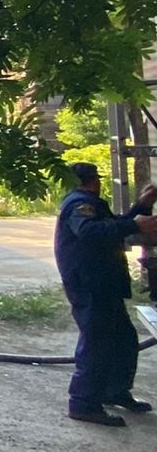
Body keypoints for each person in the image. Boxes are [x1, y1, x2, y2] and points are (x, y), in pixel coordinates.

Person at [53, 162, 157, 426]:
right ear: (92, 181)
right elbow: (90, 232)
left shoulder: (88, 203)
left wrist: (142, 207)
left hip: (102, 283)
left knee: (123, 339)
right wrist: (135, 223)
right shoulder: (80, 203)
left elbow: (115, 226)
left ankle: (114, 390)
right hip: (90, 285)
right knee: (97, 344)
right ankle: (83, 404)